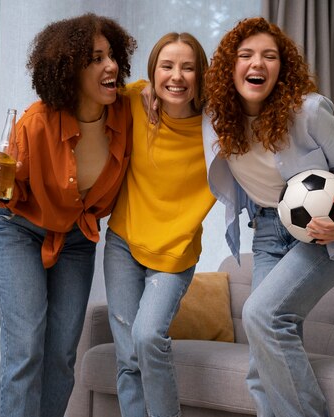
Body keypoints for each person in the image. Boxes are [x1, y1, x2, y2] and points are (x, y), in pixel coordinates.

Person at [203, 17, 334, 417]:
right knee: (264, 357)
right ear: (231, 66)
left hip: (324, 234)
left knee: (261, 315)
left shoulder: (308, 111)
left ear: (282, 67)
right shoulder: (216, 118)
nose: (256, 63)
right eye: (245, 55)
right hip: (266, 232)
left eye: (269, 56)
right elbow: (169, 87)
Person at [0, 14, 135, 417]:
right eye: (96, 59)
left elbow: (164, 89)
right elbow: (0, 197)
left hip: (75, 239)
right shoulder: (35, 123)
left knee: (62, 356)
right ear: (70, 71)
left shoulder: (125, 113)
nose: (110, 67)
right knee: (25, 350)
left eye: (112, 56)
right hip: (21, 232)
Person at [103, 32, 216, 417]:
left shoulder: (218, 129)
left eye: (188, 67)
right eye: (167, 66)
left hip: (175, 254)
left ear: (202, 75)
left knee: (148, 336)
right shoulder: (135, 98)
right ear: (153, 72)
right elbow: (83, 101)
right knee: (127, 356)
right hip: (123, 243)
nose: (177, 76)